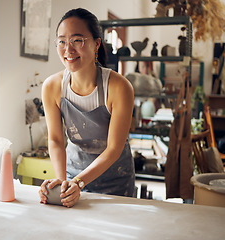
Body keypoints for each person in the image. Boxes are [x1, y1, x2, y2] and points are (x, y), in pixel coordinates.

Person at [39, 8, 135, 208]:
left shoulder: (119, 87)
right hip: (73, 174)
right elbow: (56, 140)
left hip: (115, 181)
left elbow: (114, 148)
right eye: (62, 41)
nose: (68, 49)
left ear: (96, 43)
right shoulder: (52, 86)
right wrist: (63, 182)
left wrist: (78, 182)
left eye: (77, 40)